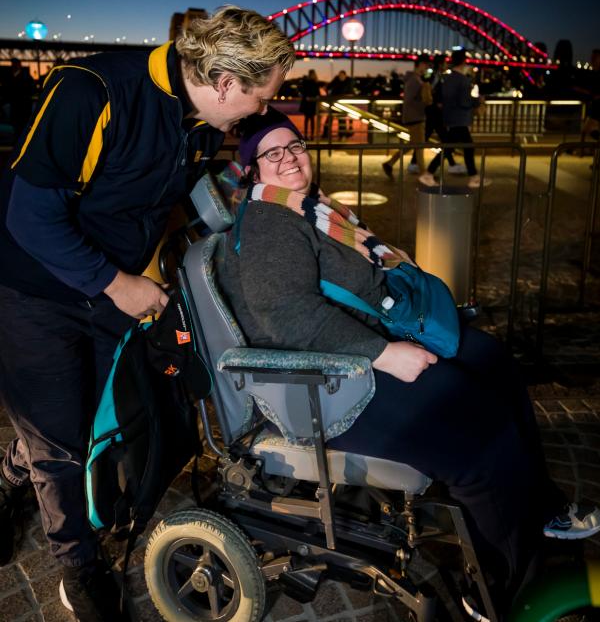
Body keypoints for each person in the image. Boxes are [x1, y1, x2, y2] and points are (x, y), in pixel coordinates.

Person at [220, 107, 600, 620]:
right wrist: (386, 354)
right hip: (333, 385)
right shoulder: (270, 222)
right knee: (478, 442)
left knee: (495, 364)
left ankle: (542, 506)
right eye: (273, 153)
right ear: (252, 167)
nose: (289, 158)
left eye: (295, 147)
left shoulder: (310, 208)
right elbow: (289, 316)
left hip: (367, 344)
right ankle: (501, 585)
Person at [0, 6, 295, 621]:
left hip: (113, 291)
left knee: (85, 417)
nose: (266, 109)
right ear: (225, 84)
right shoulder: (91, 91)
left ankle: (8, 475)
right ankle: (78, 564)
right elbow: (29, 217)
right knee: (60, 441)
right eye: (263, 96)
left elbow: (167, 196)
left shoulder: (200, 119)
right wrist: (117, 283)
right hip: (35, 291)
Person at [422, 48, 489, 188]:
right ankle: (473, 178)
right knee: (466, 148)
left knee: (449, 148)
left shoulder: (447, 78)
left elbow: (441, 98)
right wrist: (477, 100)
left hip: (449, 117)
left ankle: (429, 174)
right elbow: (465, 102)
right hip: (460, 119)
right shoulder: (463, 80)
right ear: (464, 61)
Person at [6, 57, 35, 139]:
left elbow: (31, 90)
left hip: (23, 108)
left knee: (22, 129)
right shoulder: (10, 77)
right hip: (15, 108)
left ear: (19, 65)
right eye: (12, 64)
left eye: (15, 64)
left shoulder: (26, 77)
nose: (13, 65)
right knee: (17, 129)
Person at [323, 69, 353, 139]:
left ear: (345, 76)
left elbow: (350, 92)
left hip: (343, 104)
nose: (341, 77)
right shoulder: (336, 80)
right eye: (340, 76)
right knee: (330, 118)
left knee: (342, 119)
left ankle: (342, 134)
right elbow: (328, 87)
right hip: (334, 102)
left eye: (342, 76)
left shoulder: (348, 82)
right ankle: (325, 134)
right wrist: (328, 95)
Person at [299, 69, 320, 139]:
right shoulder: (314, 82)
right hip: (311, 103)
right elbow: (317, 93)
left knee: (308, 119)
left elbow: (303, 91)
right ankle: (310, 135)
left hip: (308, 103)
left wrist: (307, 97)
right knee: (311, 119)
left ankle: (307, 135)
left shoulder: (307, 82)